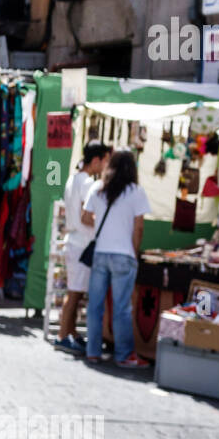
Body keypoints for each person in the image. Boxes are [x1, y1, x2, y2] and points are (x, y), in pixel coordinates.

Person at [81, 148, 152, 369]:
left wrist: (105, 226)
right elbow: (138, 227)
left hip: (101, 252)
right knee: (122, 307)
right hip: (124, 254)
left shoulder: (98, 188)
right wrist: (135, 250)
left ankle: (92, 351)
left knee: (95, 305)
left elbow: (85, 217)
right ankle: (123, 355)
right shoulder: (136, 191)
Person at [55, 142, 111, 353]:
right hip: (82, 244)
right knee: (75, 294)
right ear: (96, 160)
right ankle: (62, 335)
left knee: (75, 293)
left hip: (75, 241)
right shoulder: (88, 183)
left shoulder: (73, 179)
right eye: (105, 160)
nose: (106, 165)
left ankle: (71, 333)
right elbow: (86, 216)